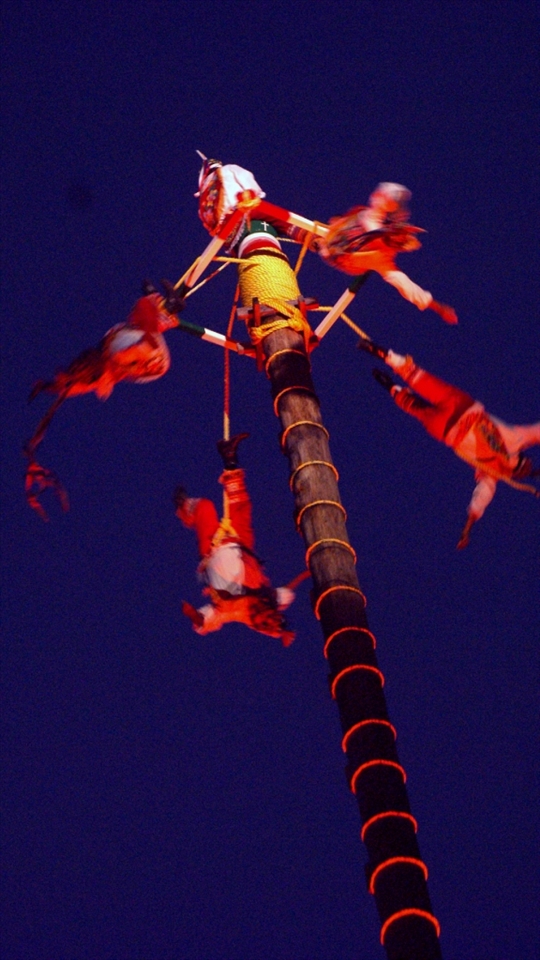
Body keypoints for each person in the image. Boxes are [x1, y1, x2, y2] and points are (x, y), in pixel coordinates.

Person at [359, 339, 540, 548]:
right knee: (416, 408)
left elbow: (536, 432)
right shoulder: (492, 473)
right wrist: (467, 529)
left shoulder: (516, 443)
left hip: (462, 408)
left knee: (421, 379)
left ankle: (391, 359)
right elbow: (480, 500)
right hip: (448, 430)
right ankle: (393, 389)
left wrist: (468, 528)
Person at [174, 433, 296, 645]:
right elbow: (286, 594)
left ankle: (185, 508)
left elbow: (212, 618)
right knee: (241, 507)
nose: (266, 616)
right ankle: (230, 458)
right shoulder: (270, 598)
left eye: (266, 621)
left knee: (204, 507)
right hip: (241, 547)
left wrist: (195, 616)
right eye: (273, 618)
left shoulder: (238, 612)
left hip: (213, 548)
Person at [316, 183, 457, 324]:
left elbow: (405, 284)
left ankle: (321, 243)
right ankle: (317, 241)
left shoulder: (381, 255)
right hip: (336, 242)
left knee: (376, 253)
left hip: (343, 256)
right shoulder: (368, 216)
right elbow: (378, 208)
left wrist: (439, 308)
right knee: (363, 218)